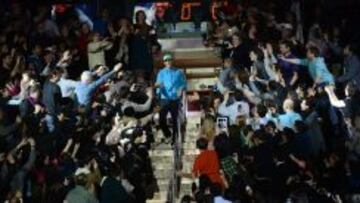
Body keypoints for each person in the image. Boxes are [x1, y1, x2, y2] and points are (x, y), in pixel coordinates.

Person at [155, 53, 186, 144]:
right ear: (164, 62)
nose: (168, 61)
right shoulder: (161, 72)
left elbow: (184, 84)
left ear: (172, 61)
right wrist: (158, 87)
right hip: (164, 99)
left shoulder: (178, 72)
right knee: (161, 120)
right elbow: (157, 85)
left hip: (174, 99)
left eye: (169, 59)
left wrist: (181, 88)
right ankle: (168, 134)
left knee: (175, 120)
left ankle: (174, 140)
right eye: (166, 60)